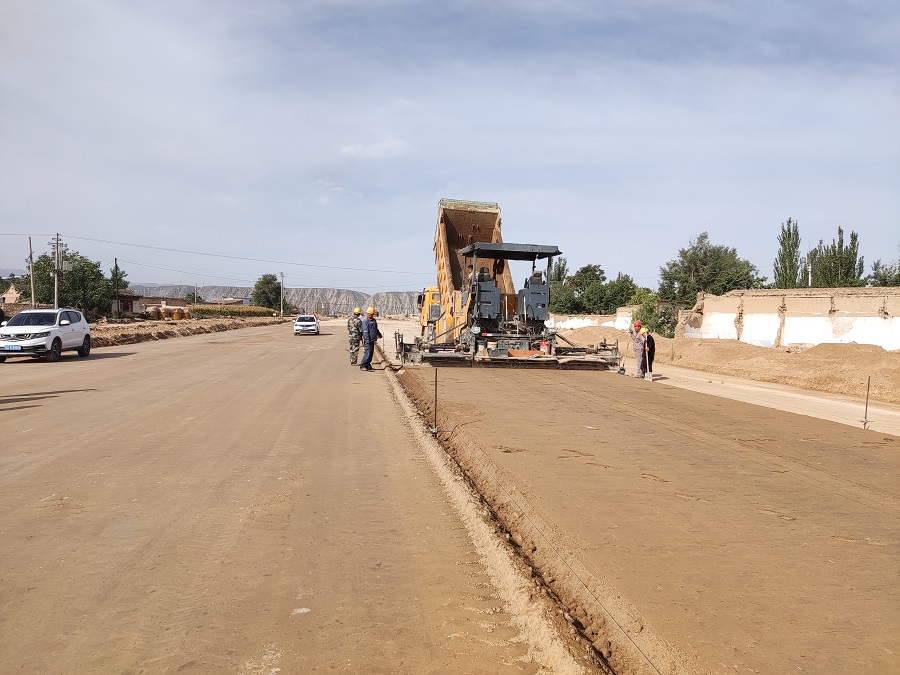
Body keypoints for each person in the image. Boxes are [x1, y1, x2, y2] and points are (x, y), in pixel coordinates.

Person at [359, 306, 382, 371]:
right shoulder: (365, 322)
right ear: (367, 314)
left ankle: (368, 365)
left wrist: (379, 334)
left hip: (372, 339)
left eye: (372, 314)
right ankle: (363, 365)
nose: (370, 315)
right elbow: (365, 332)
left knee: (371, 354)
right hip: (368, 340)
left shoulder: (374, 321)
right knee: (367, 353)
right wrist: (367, 340)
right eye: (369, 314)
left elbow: (375, 329)